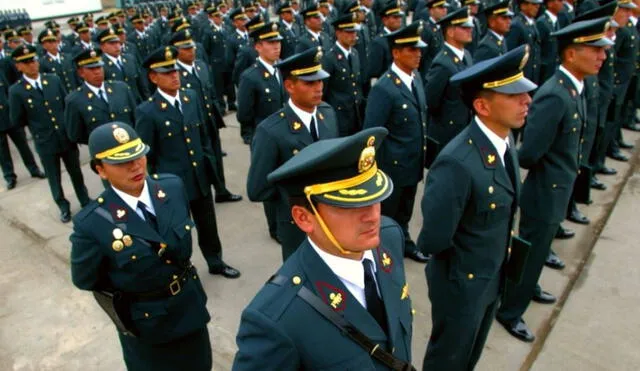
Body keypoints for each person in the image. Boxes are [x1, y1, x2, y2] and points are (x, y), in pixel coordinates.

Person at [233, 127, 414, 370]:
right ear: (304, 218)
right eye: (350, 206)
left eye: (374, 198)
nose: (373, 216)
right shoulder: (276, 319)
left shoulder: (388, 237)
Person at [418, 45, 536, 370]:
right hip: (462, 284)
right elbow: (433, 239)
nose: (526, 100)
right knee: (449, 359)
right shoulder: (457, 162)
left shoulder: (503, 140)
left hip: (491, 274)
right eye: (513, 95)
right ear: (482, 105)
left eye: (525, 92)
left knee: (469, 357)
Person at [496, 17, 613, 342]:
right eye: (595, 50)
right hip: (545, 190)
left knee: (539, 249)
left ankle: (527, 286)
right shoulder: (555, 95)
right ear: (572, 54)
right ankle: (509, 311)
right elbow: (530, 152)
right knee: (531, 250)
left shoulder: (574, 87)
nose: (602, 56)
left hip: (558, 187)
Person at [70, 122, 212, 371]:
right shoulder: (92, 223)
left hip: (190, 309)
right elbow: (86, 278)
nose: (134, 166)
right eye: (121, 162)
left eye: (138, 156)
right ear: (100, 170)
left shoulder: (171, 187)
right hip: (148, 326)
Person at [136, 46, 241, 278]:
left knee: (208, 226)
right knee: (178, 232)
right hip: (172, 184)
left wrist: (209, 164)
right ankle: (182, 270)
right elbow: (147, 156)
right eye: (167, 73)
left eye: (175, 70)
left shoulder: (190, 97)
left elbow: (202, 135)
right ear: (153, 77)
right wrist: (155, 187)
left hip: (199, 176)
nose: (175, 76)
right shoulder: (147, 111)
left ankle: (216, 262)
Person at [247, 46, 339, 261]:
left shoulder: (327, 114)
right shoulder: (271, 130)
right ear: (289, 85)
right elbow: (257, 189)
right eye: (309, 83)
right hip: (297, 225)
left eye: (320, 81)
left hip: (332, 216)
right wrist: (292, 196)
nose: (318, 88)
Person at [363, 22, 430, 263]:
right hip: (392, 167)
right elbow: (371, 135)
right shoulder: (385, 88)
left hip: (412, 163)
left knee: (405, 211)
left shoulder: (416, 79)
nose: (418, 54)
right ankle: (383, 253)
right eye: (411, 49)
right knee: (388, 215)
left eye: (419, 49)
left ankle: (404, 241)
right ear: (396, 52)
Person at [8, 45, 90, 222]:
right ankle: (63, 206)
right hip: (45, 141)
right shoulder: (17, 91)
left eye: (34, 60)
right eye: (27, 62)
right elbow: (17, 120)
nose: (32, 65)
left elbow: (67, 105)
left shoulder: (52, 80)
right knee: (54, 177)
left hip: (65, 137)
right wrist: (37, 130)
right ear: (19, 66)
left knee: (76, 172)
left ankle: (84, 200)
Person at [170, 28, 243, 204]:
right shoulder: (173, 72)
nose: (191, 51)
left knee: (216, 156)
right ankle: (199, 194)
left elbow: (210, 91)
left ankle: (221, 190)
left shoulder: (201, 66)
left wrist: (217, 112)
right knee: (199, 160)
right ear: (176, 50)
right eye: (186, 48)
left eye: (192, 47)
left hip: (209, 120)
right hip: (192, 124)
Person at [425, 6, 475, 153]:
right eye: (464, 27)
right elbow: (431, 102)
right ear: (450, 32)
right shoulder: (443, 63)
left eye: (469, 27)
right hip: (447, 134)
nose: (469, 30)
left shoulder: (466, 55)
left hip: (464, 129)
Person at [64, 48, 137, 146]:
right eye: (91, 69)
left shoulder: (121, 88)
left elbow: (135, 118)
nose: (97, 72)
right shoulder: (74, 100)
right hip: (104, 151)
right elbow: (75, 135)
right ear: (81, 72)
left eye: (99, 67)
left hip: (129, 144)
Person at [0, 70, 45, 190]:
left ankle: (34, 169)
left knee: (23, 145)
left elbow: (7, 90)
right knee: (2, 151)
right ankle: (9, 176)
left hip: (8, 115)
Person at [322, 13, 365, 136]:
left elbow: (357, 84)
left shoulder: (355, 54)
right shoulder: (329, 58)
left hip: (356, 115)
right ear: (338, 33)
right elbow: (323, 91)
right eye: (349, 32)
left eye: (355, 32)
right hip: (339, 117)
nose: (353, 36)